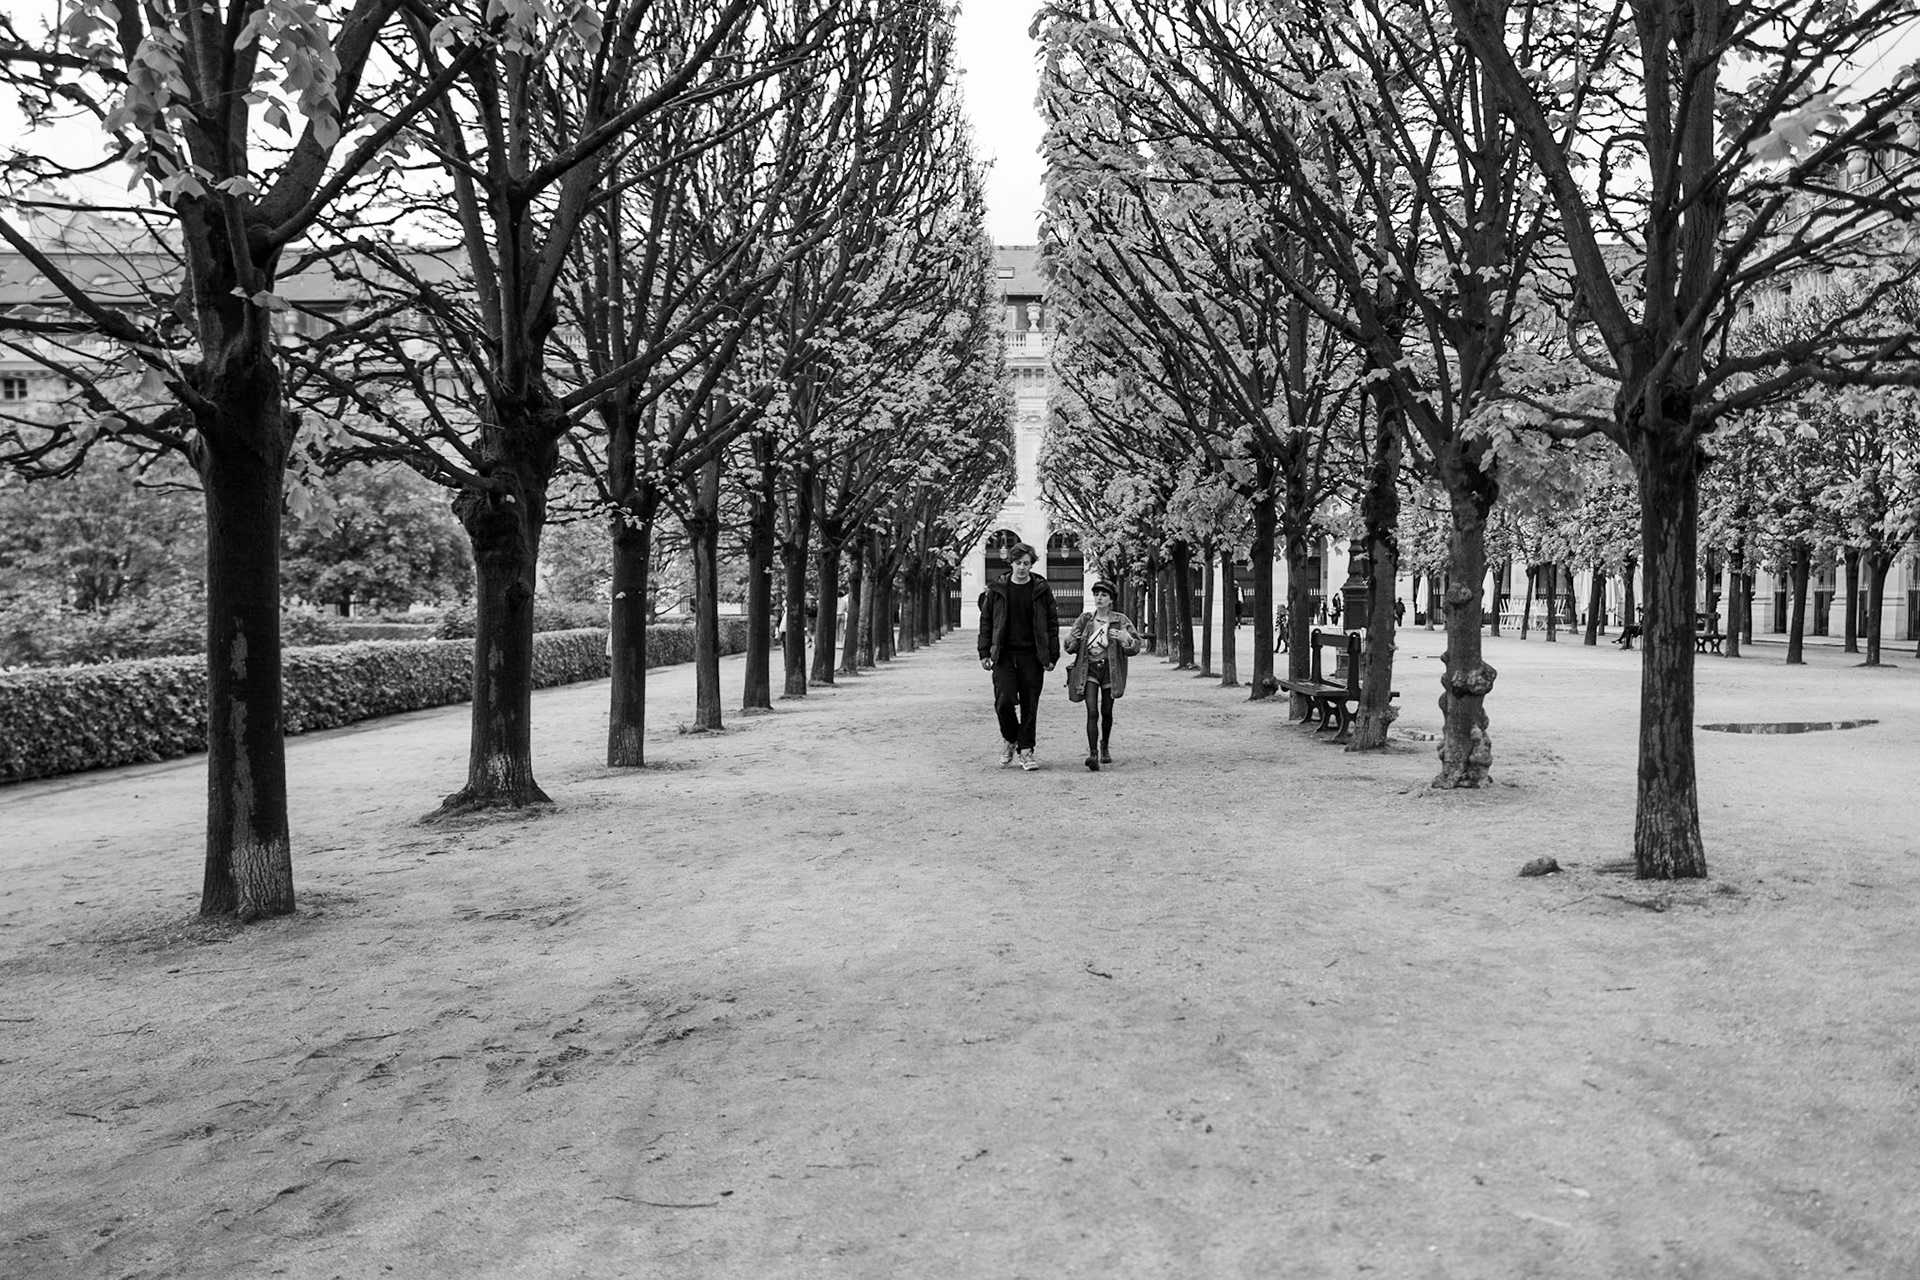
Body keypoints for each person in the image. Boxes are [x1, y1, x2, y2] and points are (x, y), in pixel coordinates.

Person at [977, 542, 1061, 770]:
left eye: (1026, 563)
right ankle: (1010, 738)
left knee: (1029, 704)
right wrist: (984, 651)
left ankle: (1026, 750)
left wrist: (1053, 654)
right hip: (1004, 655)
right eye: (1018, 563)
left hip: (1032, 656)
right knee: (1004, 702)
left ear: (1032, 564)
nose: (1022, 568)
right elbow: (986, 621)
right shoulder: (997, 589)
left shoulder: (1042, 589)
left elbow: (1052, 623)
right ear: (1011, 563)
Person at [1064, 580, 1140, 771]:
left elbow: (1136, 646)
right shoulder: (1085, 619)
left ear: (1111, 600)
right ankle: (1093, 755)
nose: (1099, 598)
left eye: (1104, 595)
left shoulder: (1121, 621)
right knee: (1092, 712)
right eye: (1097, 594)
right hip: (1088, 669)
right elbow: (1070, 646)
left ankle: (1104, 744)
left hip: (1110, 671)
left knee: (1106, 711)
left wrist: (1126, 639)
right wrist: (1070, 641)